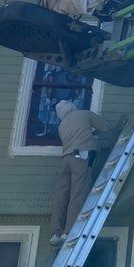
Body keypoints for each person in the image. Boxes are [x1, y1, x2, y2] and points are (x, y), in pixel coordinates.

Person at [50, 100, 107, 246]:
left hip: (65, 160)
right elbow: (104, 127)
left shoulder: (61, 126)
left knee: (61, 195)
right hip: (79, 156)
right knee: (77, 194)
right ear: (73, 107)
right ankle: (68, 232)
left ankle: (56, 232)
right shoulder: (84, 114)